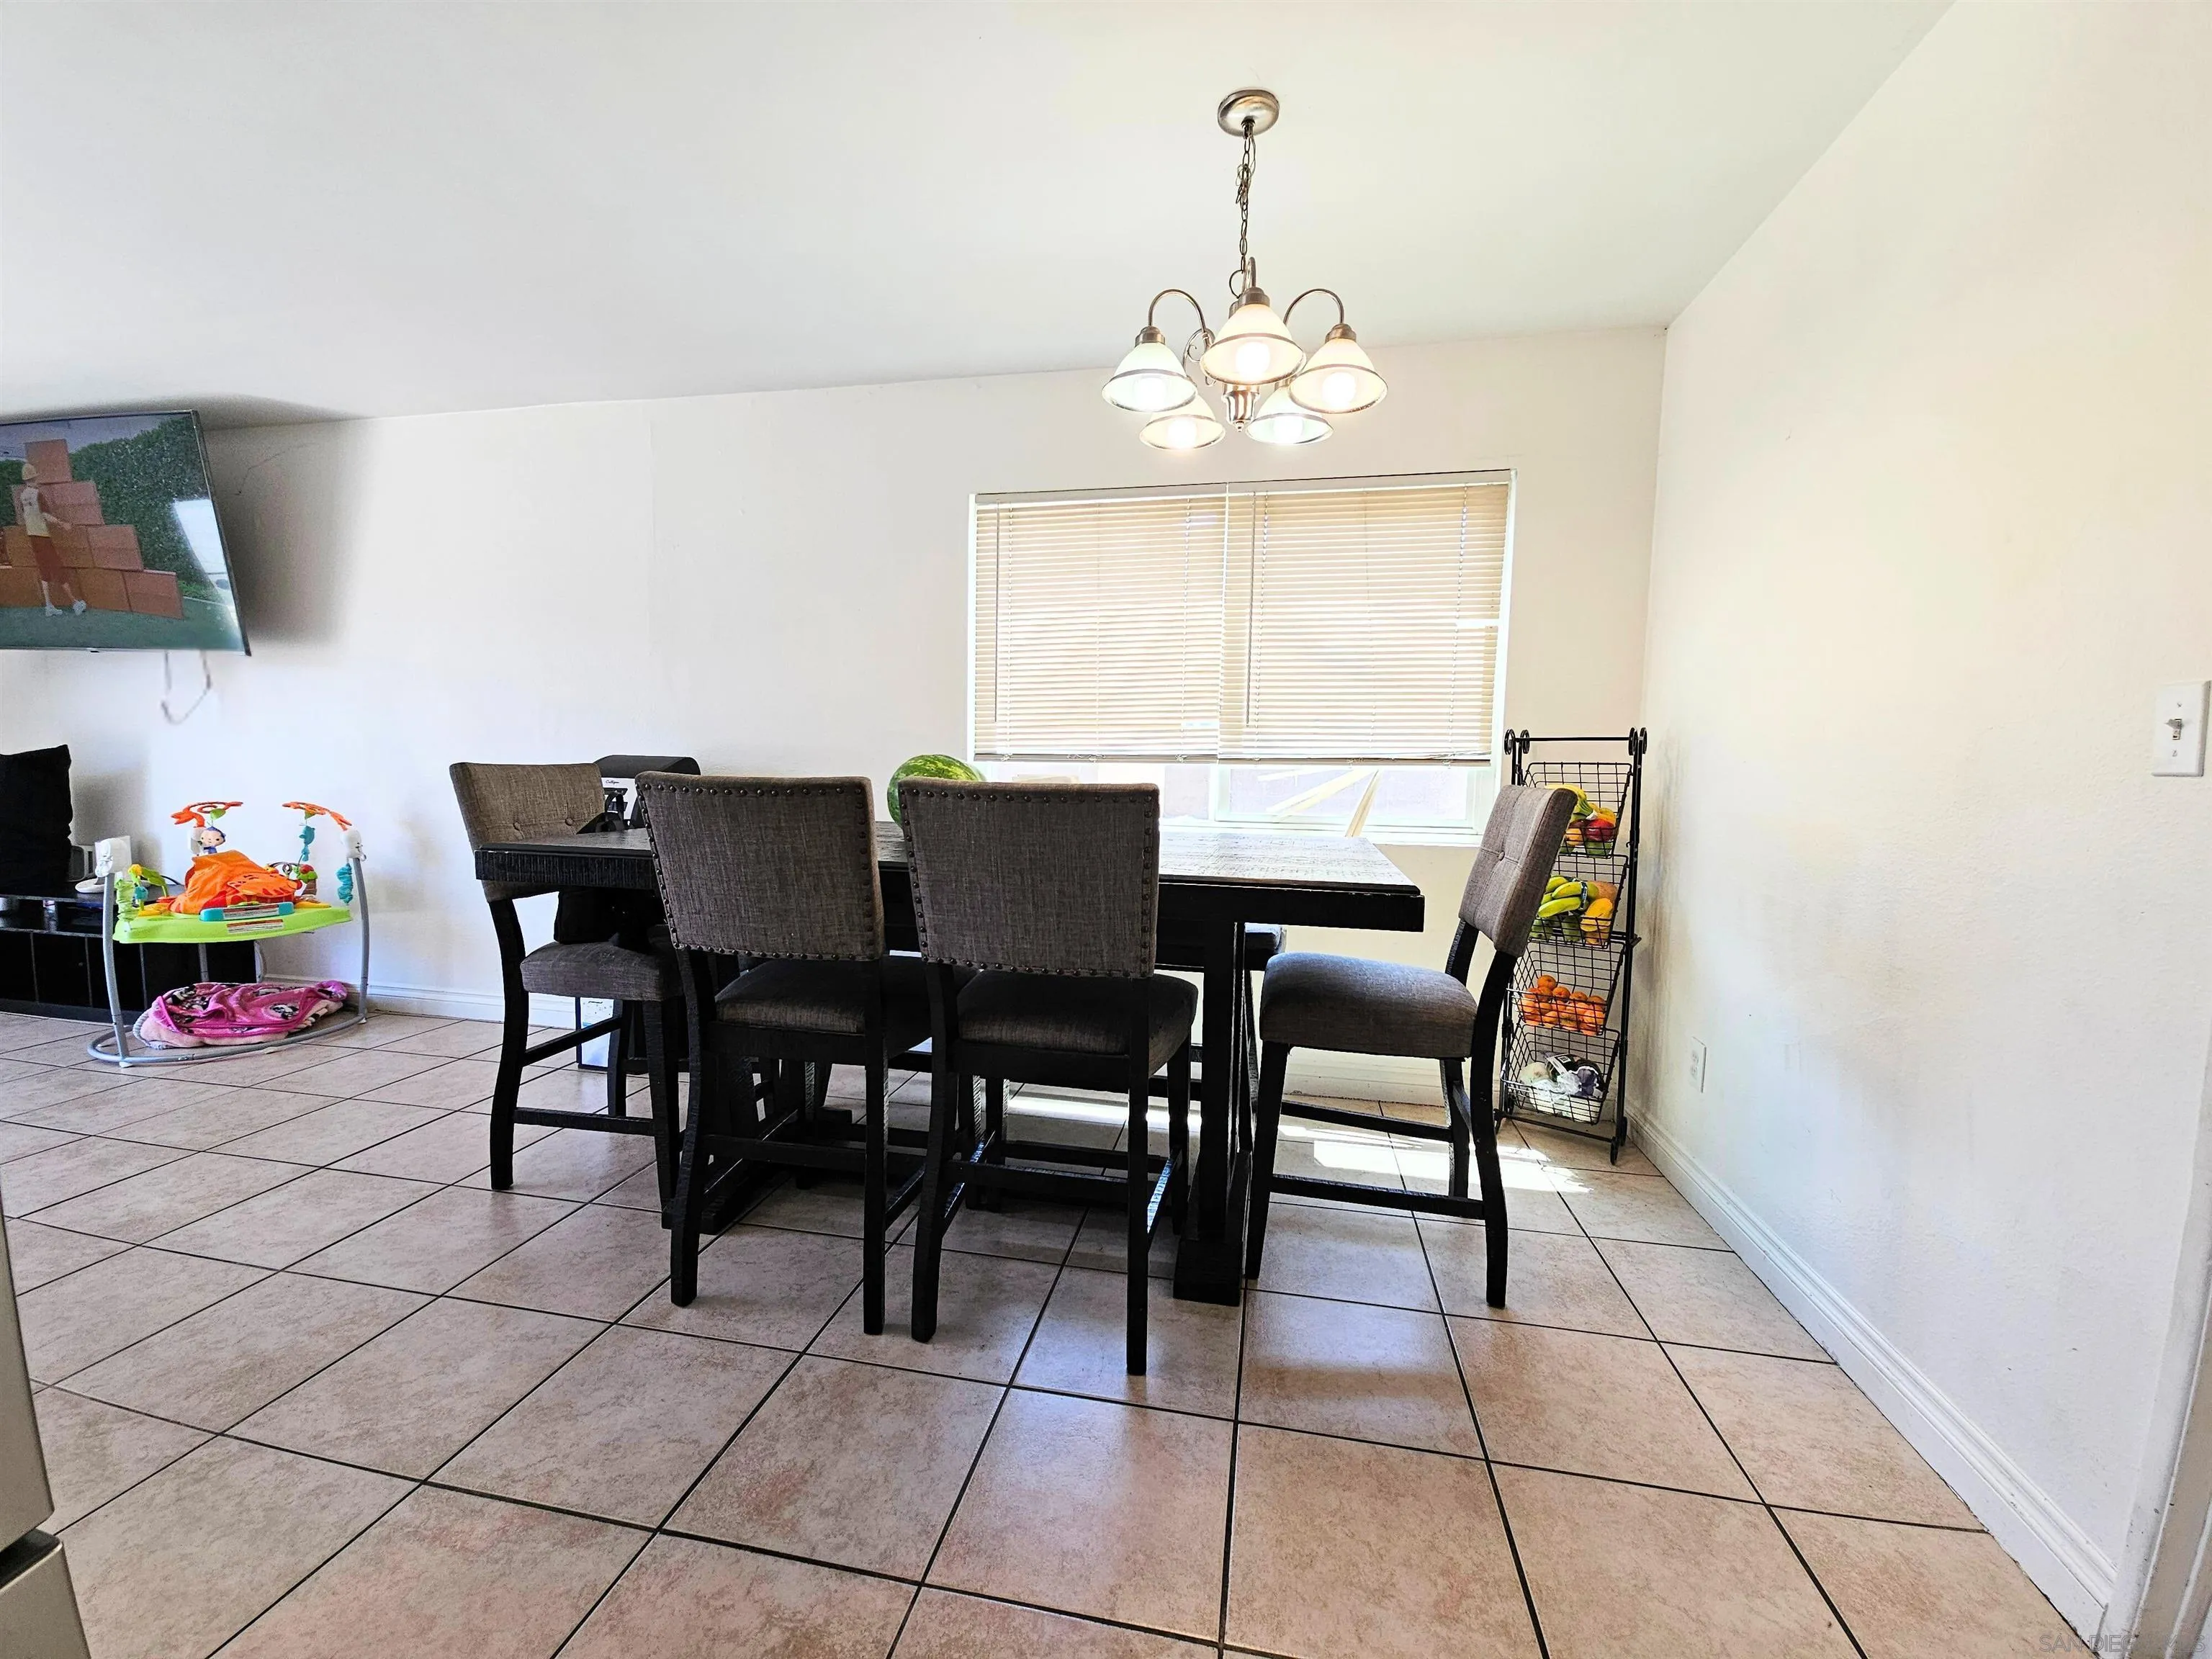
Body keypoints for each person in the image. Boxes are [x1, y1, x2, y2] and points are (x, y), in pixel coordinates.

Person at [17, 461, 86, 616]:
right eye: (36, 478)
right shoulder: (38, 495)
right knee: (57, 567)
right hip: (43, 536)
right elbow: (45, 515)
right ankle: (75, 603)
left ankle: (49, 606)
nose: (38, 481)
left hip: (33, 537)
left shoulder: (22, 496)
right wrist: (63, 524)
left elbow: (26, 516)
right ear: (33, 479)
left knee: (44, 570)